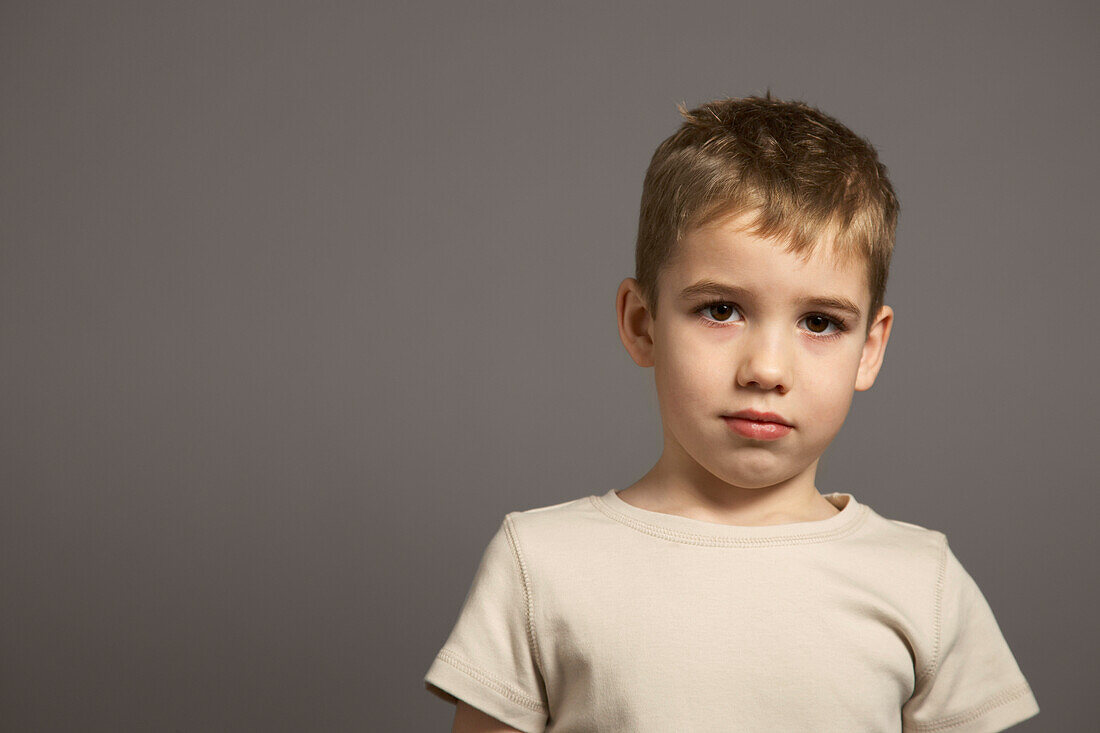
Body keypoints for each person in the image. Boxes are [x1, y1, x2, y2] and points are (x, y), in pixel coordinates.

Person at [423, 94, 1040, 732]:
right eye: (721, 310)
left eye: (820, 322)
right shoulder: (541, 566)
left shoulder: (923, 583)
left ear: (870, 349)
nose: (767, 370)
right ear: (643, 325)